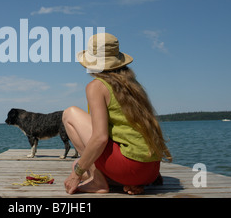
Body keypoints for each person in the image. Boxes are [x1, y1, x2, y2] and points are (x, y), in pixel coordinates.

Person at [63, 33, 172, 195]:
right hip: (151, 170)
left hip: (131, 168)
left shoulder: (97, 86)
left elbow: (100, 137)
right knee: (78, 162)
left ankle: (98, 182)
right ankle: (130, 182)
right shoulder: (132, 85)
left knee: (69, 114)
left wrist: (76, 174)